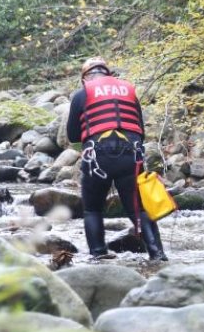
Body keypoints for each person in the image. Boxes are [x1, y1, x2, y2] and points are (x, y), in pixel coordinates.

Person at [66, 57, 167, 262]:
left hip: (96, 155)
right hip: (131, 154)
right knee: (137, 208)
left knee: (93, 208)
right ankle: (157, 254)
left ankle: (98, 254)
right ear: (108, 74)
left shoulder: (82, 93)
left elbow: (73, 135)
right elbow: (140, 128)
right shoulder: (128, 90)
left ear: (85, 78)